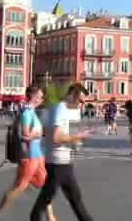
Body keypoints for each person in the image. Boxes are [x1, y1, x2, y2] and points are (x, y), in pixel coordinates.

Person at [0, 86, 56, 221]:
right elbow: (25, 135)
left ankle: (50, 217)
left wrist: (41, 134)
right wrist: (39, 133)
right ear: (34, 97)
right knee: (18, 187)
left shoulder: (32, 112)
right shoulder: (26, 112)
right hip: (29, 156)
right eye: (41, 96)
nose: (42, 99)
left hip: (38, 156)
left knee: (46, 186)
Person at [29, 83, 94, 221]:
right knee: (42, 205)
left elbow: (46, 134)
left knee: (75, 200)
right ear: (72, 95)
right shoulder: (60, 110)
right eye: (80, 100)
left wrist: (73, 139)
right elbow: (56, 137)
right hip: (57, 164)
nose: (81, 104)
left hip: (63, 162)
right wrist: (79, 136)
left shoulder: (57, 109)